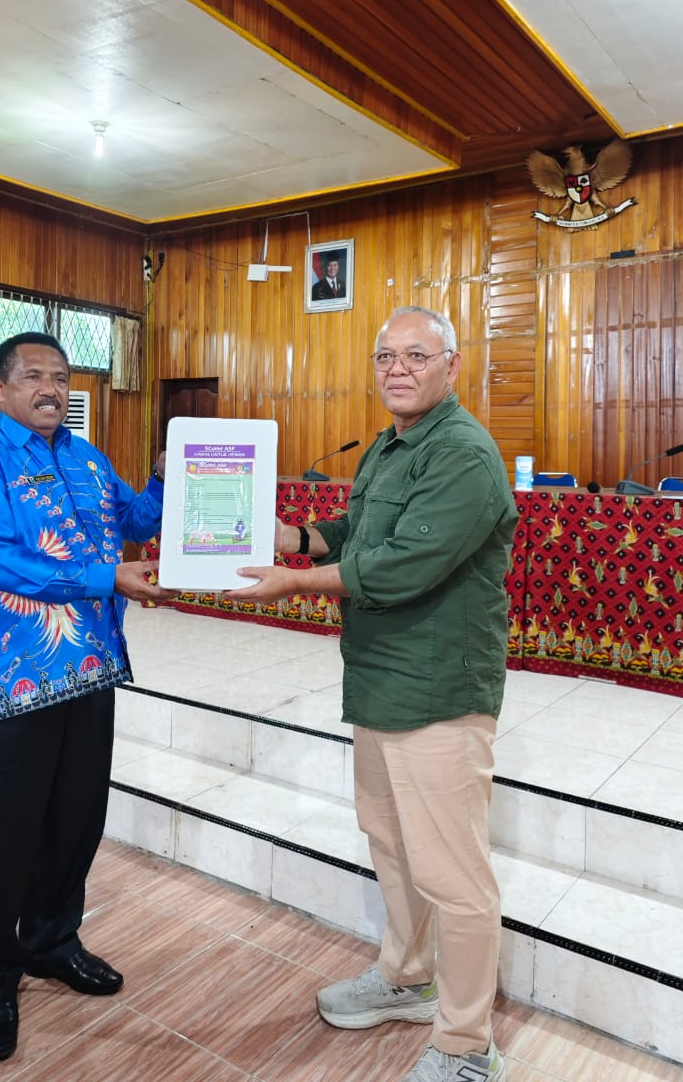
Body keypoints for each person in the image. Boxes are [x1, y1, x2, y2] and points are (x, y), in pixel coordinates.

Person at [228, 306, 517, 1082]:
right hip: (381, 682)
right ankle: (407, 976)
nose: (397, 368)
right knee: (392, 846)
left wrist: (292, 584)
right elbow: (359, 531)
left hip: (438, 691)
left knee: (455, 877)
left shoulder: (462, 454)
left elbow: (397, 566)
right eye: (385, 355)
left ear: (451, 366)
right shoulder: (391, 445)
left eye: (415, 355)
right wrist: (292, 539)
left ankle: (466, 1047)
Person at [0, 331, 176, 1063]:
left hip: (92, 673)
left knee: (73, 824)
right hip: (15, 681)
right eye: (35, 375)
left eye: (60, 377)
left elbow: (135, 520)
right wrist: (112, 580)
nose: (51, 388)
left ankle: (50, 942)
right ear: (2, 386)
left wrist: (172, 481)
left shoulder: (87, 458)